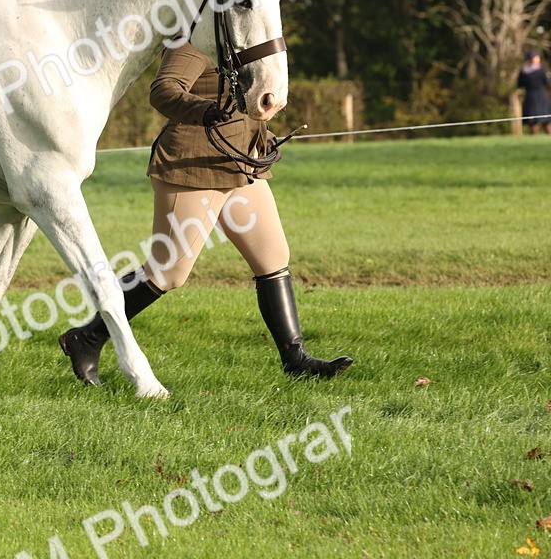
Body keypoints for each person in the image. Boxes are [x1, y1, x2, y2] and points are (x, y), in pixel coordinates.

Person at [59, 41, 353, 385]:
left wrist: (263, 135)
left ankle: (295, 359)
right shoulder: (194, 42)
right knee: (167, 272)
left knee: (273, 257)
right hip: (193, 165)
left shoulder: (242, 42)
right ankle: (87, 337)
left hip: (238, 161)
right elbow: (164, 90)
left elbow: (242, 100)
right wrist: (204, 111)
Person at [517, 49, 551, 135]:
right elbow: (547, 82)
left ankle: (535, 137)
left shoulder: (524, 71)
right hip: (540, 96)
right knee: (544, 120)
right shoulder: (541, 70)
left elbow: (520, 84)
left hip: (530, 96)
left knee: (533, 121)